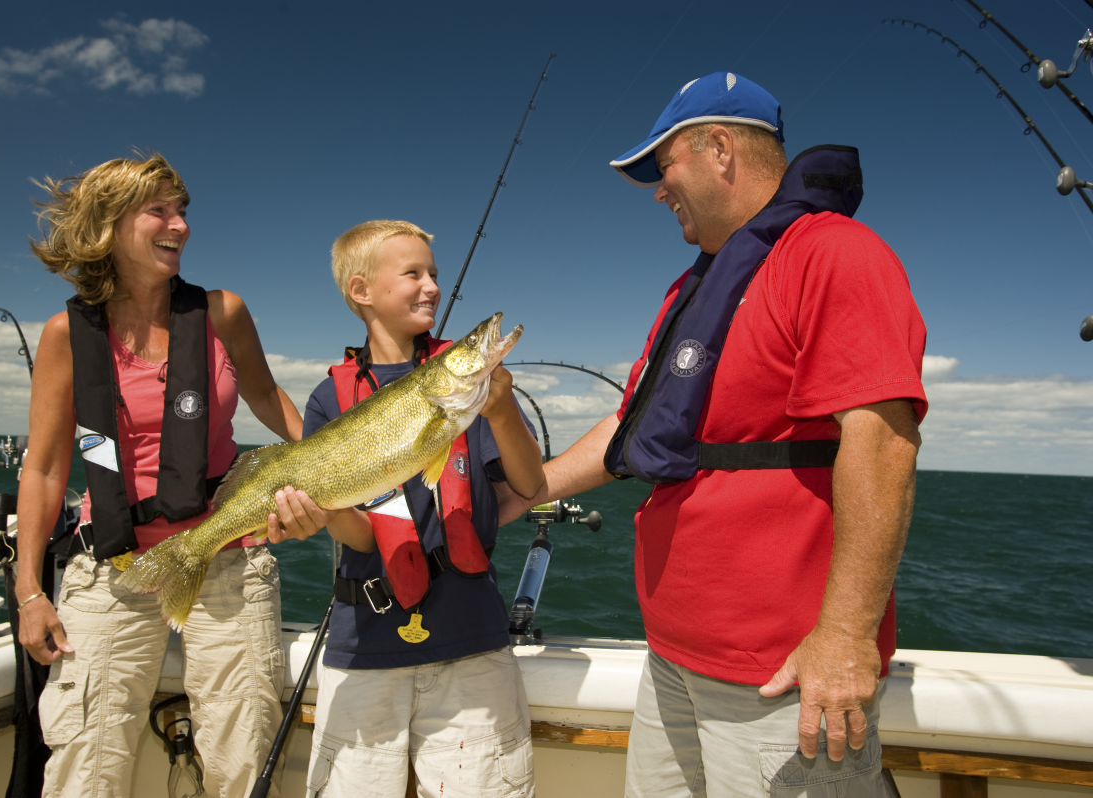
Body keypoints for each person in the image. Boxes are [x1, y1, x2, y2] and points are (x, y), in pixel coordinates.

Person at [499, 72, 927, 797]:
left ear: (720, 148)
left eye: (663, 167)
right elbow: (630, 424)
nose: (657, 191)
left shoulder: (833, 254)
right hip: (671, 659)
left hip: (778, 674)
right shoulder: (692, 289)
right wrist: (523, 491)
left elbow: (883, 441)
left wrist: (847, 636)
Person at [14, 153, 304, 797]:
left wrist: (353, 468)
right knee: (84, 771)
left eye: (183, 212)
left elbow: (269, 399)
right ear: (109, 226)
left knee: (245, 763)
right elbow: (44, 467)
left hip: (230, 561)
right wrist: (30, 589)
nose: (181, 226)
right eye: (160, 211)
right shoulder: (66, 334)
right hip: (111, 569)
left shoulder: (223, 313)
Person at [263, 219, 543, 798]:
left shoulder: (464, 391)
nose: (432, 287)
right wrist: (317, 514)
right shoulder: (328, 398)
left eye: (435, 275)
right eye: (413, 273)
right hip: (365, 648)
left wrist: (501, 407)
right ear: (361, 292)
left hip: (472, 640)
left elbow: (530, 482)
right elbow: (363, 537)